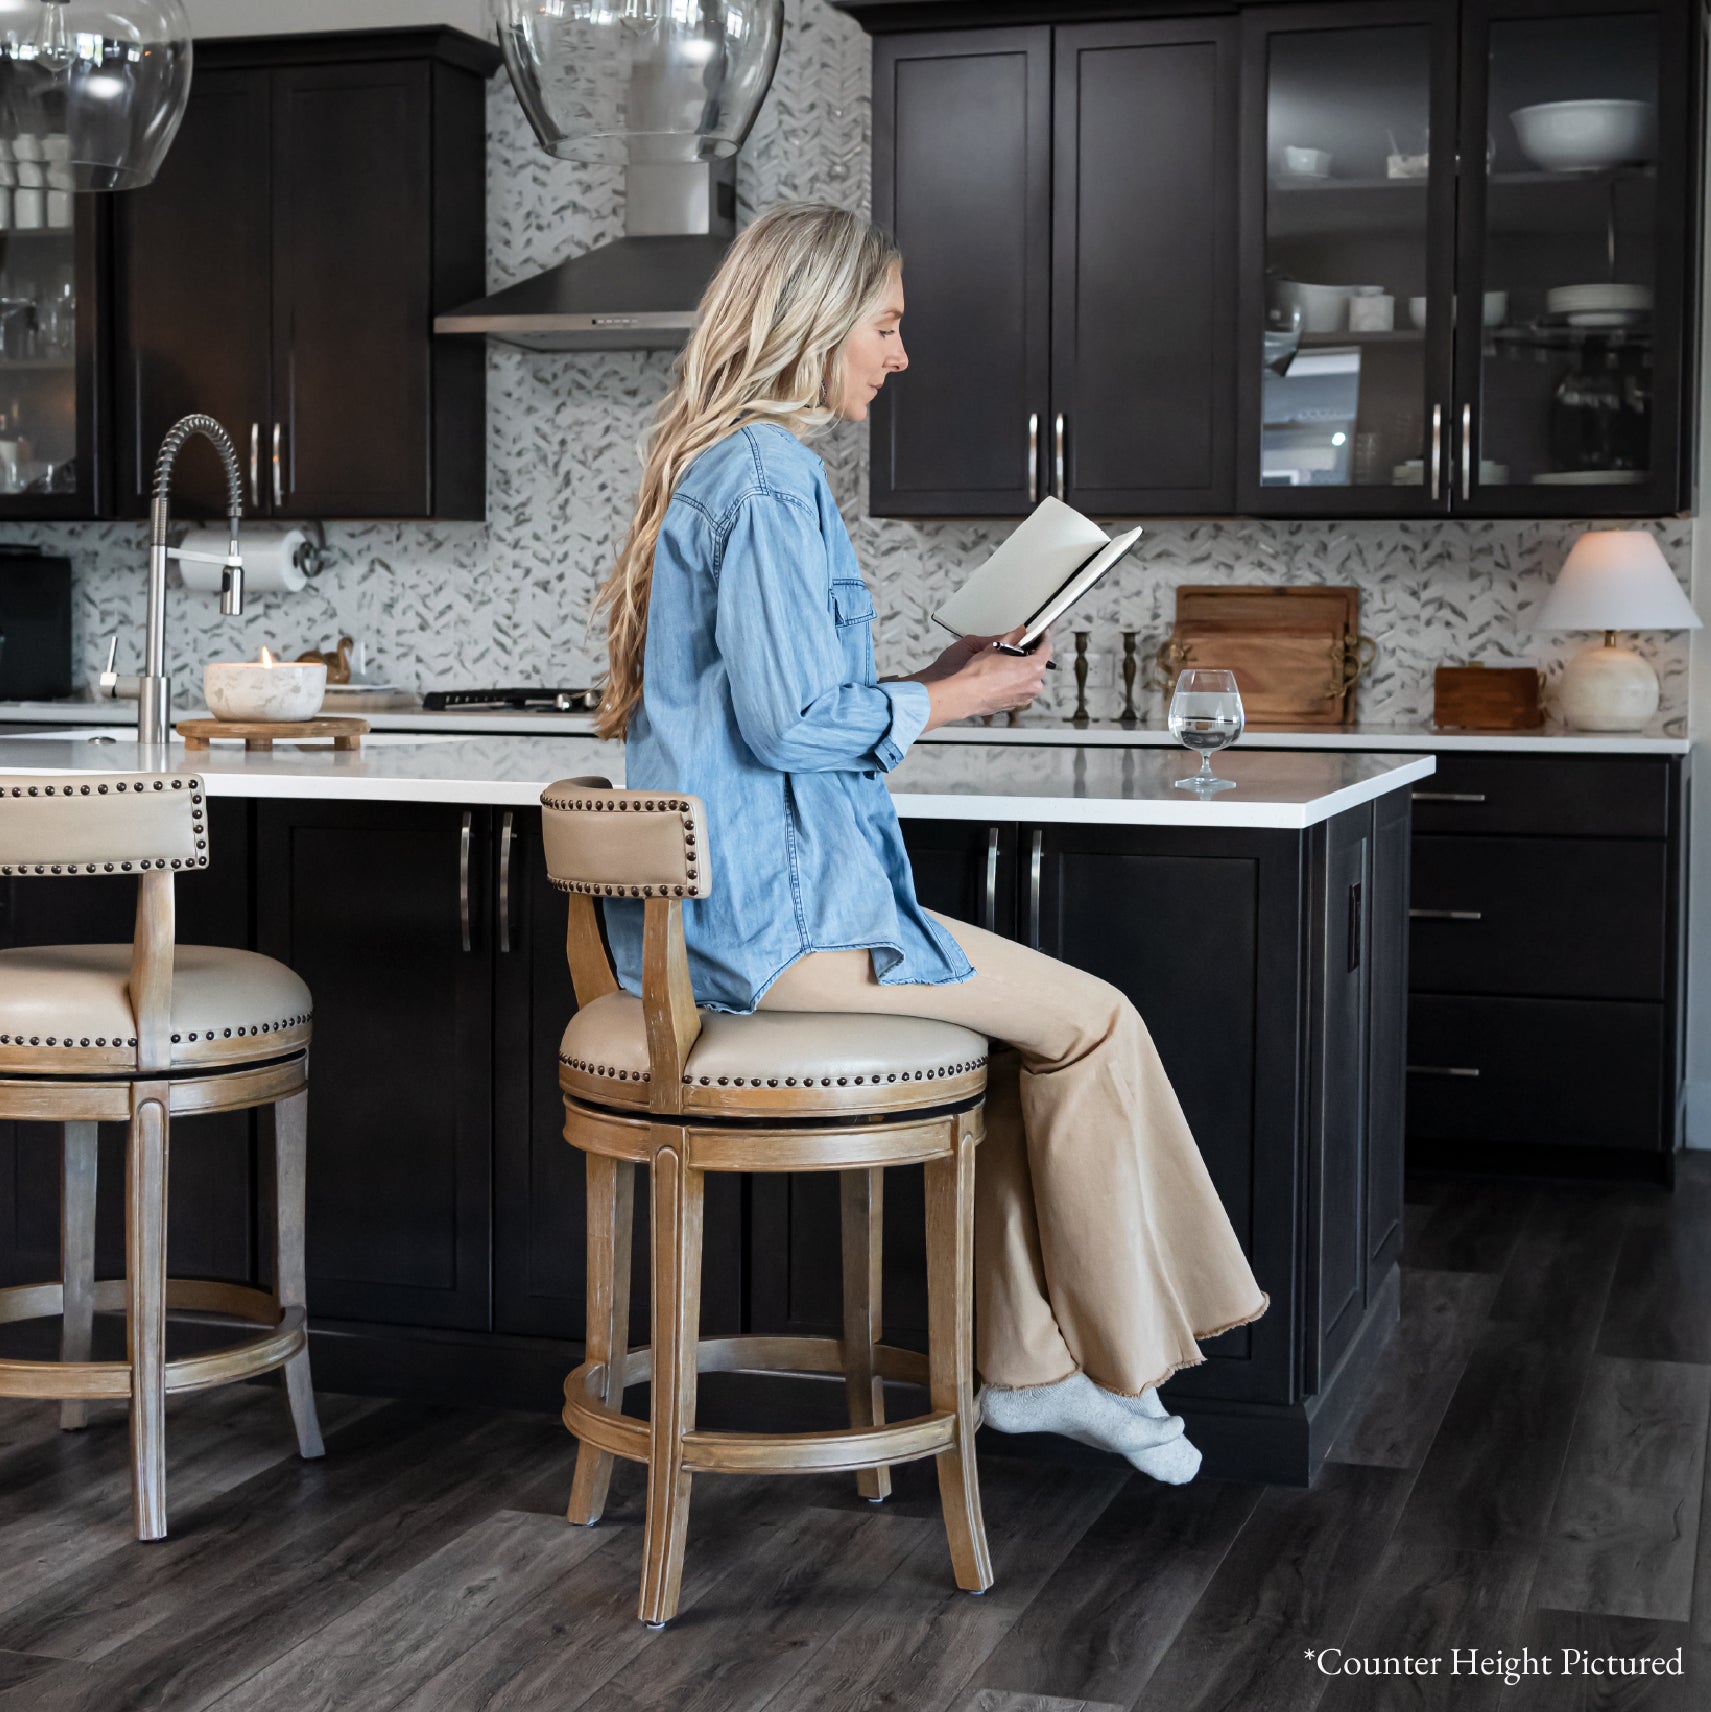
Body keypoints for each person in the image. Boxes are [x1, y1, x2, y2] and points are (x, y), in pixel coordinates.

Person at [593, 202, 1269, 1484]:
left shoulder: (731, 463)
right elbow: (793, 725)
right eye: (887, 327)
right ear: (815, 321)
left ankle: (1032, 1371)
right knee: (1095, 1019)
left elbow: (781, 712)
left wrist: (929, 674)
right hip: (772, 929)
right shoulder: (767, 473)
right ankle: (1117, 1364)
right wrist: (963, 697)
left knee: (1028, 1047)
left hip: (738, 916)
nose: (898, 358)